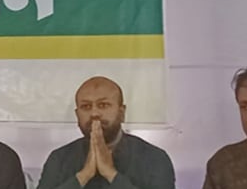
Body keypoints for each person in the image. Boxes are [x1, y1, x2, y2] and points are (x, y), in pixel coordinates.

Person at [37, 76, 174, 189]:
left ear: (121, 113)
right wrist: (83, 176)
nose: (94, 113)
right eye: (86, 106)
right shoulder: (59, 158)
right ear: (77, 115)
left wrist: (111, 174)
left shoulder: (154, 158)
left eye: (103, 105)